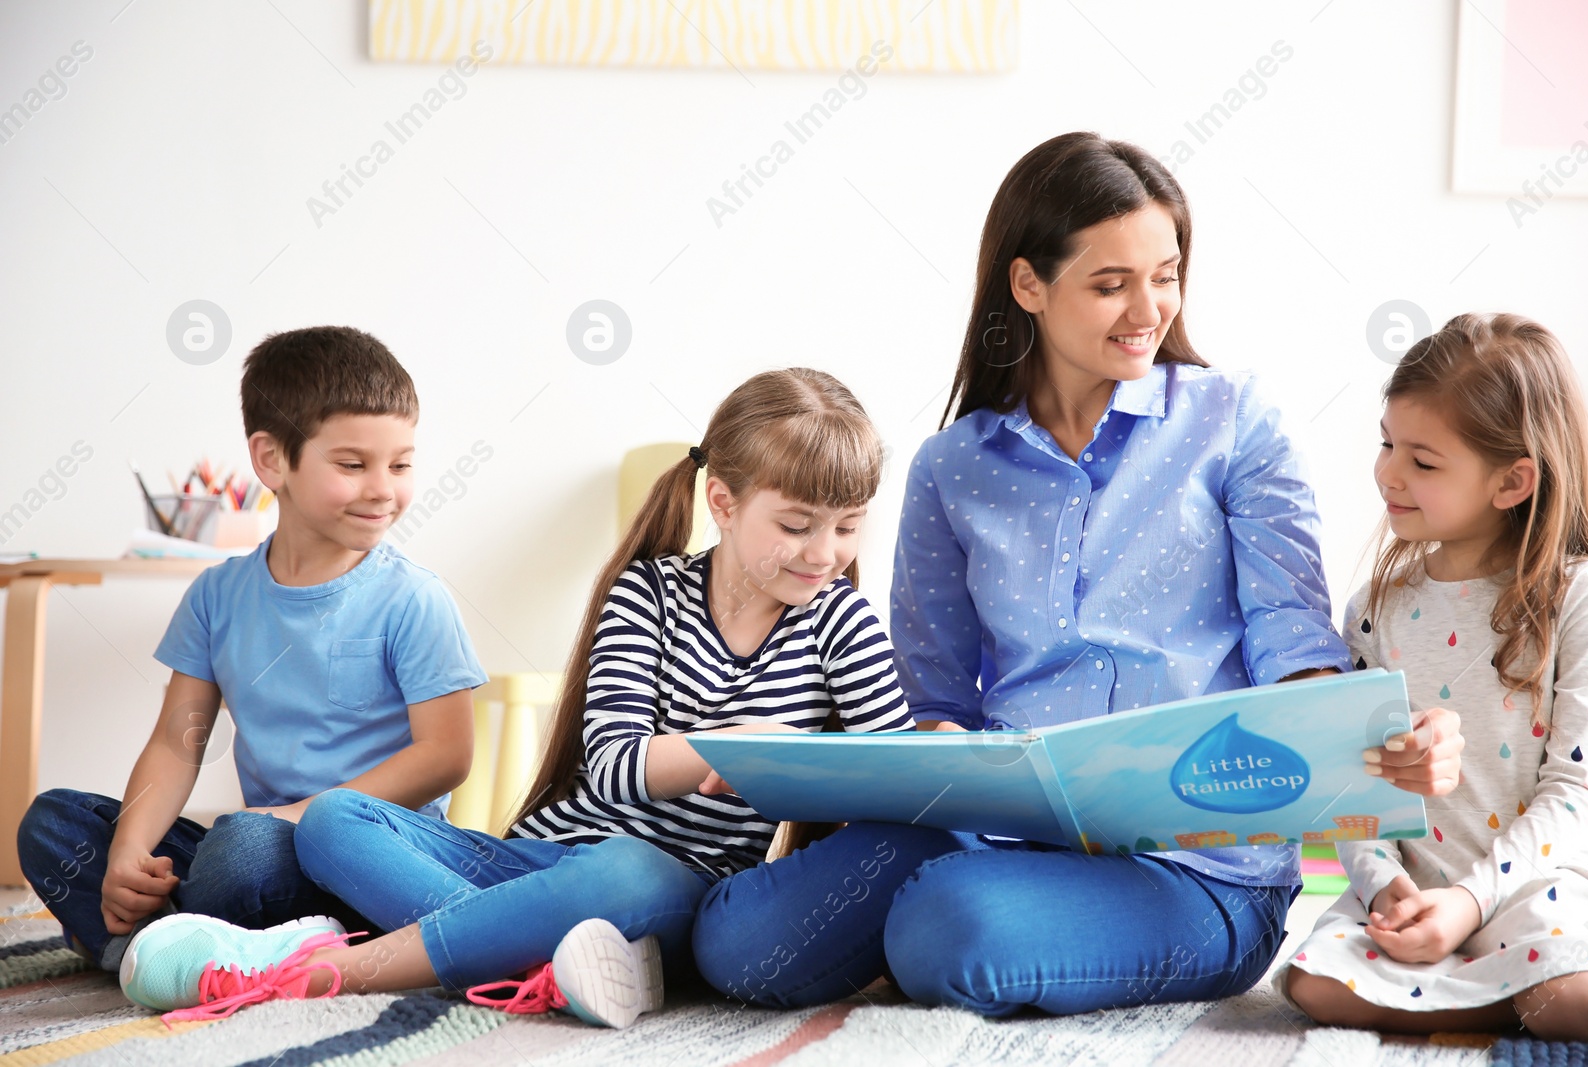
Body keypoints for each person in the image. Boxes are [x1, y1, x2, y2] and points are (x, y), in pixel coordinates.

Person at [695, 132, 1463, 1016]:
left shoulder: (1233, 418)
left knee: (947, 924)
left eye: (1167, 273)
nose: (1151, 309)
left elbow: (1296, 641)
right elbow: (932, 698)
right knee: (740, 943)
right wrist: (922, 748)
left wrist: (1362, 735)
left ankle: (952, 922)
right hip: (994, 830)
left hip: (1198, 870)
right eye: (1111, 284)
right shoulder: (953, 467)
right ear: (1029, 285)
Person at [116, 367, 918, 1029]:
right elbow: (612, 768)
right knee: (331, 818)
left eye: (848, 527)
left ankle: (334, 969)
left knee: (631, 871)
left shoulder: (841, 622)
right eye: (800, 524)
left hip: (669, 881)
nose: (826, 554)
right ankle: (543, 961)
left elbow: (891, 773)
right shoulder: (649, 593)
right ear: (725, 503)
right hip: (531, 856)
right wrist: (724, 749)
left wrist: (795, 763)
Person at [17, 325, 485, 980]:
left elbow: (446, 755)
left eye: (401, 464)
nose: (384, 488)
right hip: (259, 842)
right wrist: (130, 846)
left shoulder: (413, 598)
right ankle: (161, 948)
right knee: (52, 821)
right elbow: (178, 743)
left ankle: (191, 946)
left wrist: (299, 816)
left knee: (237, 854)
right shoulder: (218, 594)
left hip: (363, 854)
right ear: (271, 460)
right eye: (353, 465)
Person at [1282, 313, 1588, 1039]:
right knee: (1311, 984)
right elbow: (1350, 785)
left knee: (1567, 991)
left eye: (1423, 461)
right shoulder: (1374, 610)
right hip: (1418, 886)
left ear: (1513, 480)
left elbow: (1576, 795)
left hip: (1535, 879)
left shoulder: (1578, 598)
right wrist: (1383, 884)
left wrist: (1469, 900)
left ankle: (1520, 993)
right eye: (1387, 443)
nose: (1388, 472)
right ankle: (1510, 999)